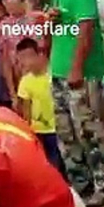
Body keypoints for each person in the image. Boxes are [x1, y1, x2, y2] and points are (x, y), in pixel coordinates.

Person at [47, 0, 104, 207]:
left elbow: (86, 29)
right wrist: (51, 22)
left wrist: (76, 67)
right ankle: (81, 185)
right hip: (59, 71)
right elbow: (64, 30)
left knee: (89, 131)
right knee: (66, 133)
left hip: (83, 74)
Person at [16, 37, 67, 178]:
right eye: (22, 58)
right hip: (39, 130)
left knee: (61, 158)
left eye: (29, 56)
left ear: (40, 54)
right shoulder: (25, 81)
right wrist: (29, 129)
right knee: (48, 162)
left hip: (57, 127)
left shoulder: (53, 75)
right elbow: (26, 107)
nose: (26, 62)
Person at [0, 0, 48, 110]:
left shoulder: (36, 20)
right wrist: (13, 94)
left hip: (38, 78)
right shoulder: (3, 26)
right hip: (17, 79)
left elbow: (43, 52)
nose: (9, 1)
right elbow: (5, 61)